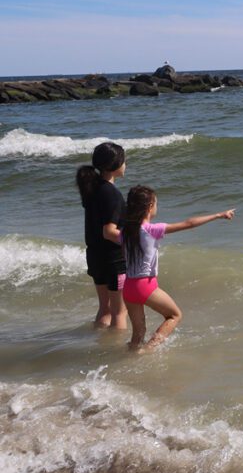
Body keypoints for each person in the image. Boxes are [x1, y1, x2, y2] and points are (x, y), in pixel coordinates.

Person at [120, 185, 234, 352]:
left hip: (129, 286)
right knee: (175, 315)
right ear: (150, 207)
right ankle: (149, 350)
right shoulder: (152, 230)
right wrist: (218, 215)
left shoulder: (125, 232)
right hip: (145, 286)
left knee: (138, 333)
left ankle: (131, 358)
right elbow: (189, 223)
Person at [76, 142, 128, 329]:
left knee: (105, 309)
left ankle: (99, 344)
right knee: (120, 311)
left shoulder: (93, 189)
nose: (125, 164)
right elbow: (109, 232)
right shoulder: (111, 193)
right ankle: (114, 354)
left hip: (95, 256)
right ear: (114, 165)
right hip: (113, 259)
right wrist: (134, 242)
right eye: (124, 160)